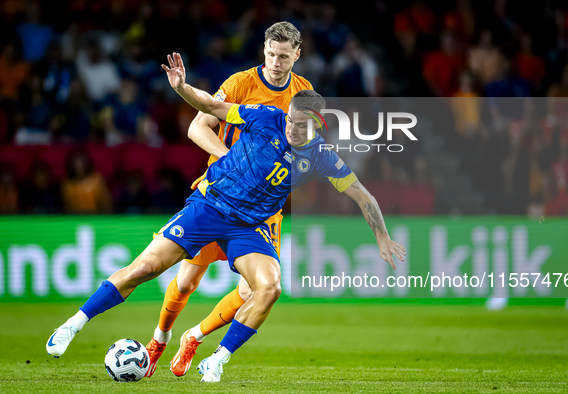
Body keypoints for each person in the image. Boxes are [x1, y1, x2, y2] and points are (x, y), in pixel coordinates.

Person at [45, 53, 406, 384]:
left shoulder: (322, 155)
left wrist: (382, 236)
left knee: (270, 287)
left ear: (317, 124)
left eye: (301, 125)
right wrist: (183, 88)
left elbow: (363, 194)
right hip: (210, 206)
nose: (292, 129)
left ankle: (216, 358)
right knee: (145, 269)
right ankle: (72, 325)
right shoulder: (267, 117)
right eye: (291, 121)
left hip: (251, 226)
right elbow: (212, 106)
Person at [145, 21, 313, 378]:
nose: (275, 62)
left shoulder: (303, 93)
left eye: (284, 56)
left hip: (262, 210)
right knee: (188, 281)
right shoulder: (239, 84)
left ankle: (195, 336)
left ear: (297, 55)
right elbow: (196, 127)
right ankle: (159, 340)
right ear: (264, 50)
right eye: (270, 53)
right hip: (221, 196)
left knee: (257, 289)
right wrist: (230, 161)